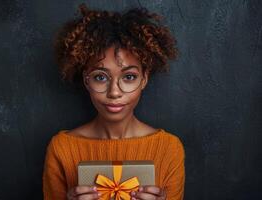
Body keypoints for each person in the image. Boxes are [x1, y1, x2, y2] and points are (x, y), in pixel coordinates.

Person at [43, 3, 185, 200]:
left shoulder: (169, 149)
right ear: (86, 79)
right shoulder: (61, 149)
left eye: (129, 77)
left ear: (144, 79)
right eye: (100, 77)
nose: (114, 92)